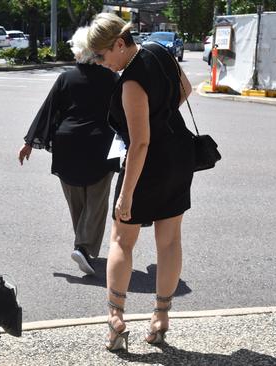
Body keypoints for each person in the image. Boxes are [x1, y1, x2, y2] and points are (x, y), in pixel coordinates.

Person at [87, 13, 194, 351]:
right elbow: (186, 89)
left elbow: (140, 142)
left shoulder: (131, 83)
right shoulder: (159, 51)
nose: (102, 64)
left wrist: (126, 196)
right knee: (169, 241)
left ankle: (116, 321)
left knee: (121, 240)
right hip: (179, 157)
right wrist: (162, 117)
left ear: (119, 44)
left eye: (102, 56)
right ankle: (161, 318)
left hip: (147, 166)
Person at [18, 26, 120, 276]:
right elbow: (122, 113)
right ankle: (83, 247)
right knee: (96, 202)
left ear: (79, 51)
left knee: (77, 201)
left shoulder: (66, 77)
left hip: (68, 145)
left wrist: (30, 141)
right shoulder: (112, 79)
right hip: (100, 145)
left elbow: (49, 109)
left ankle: (82, 247)